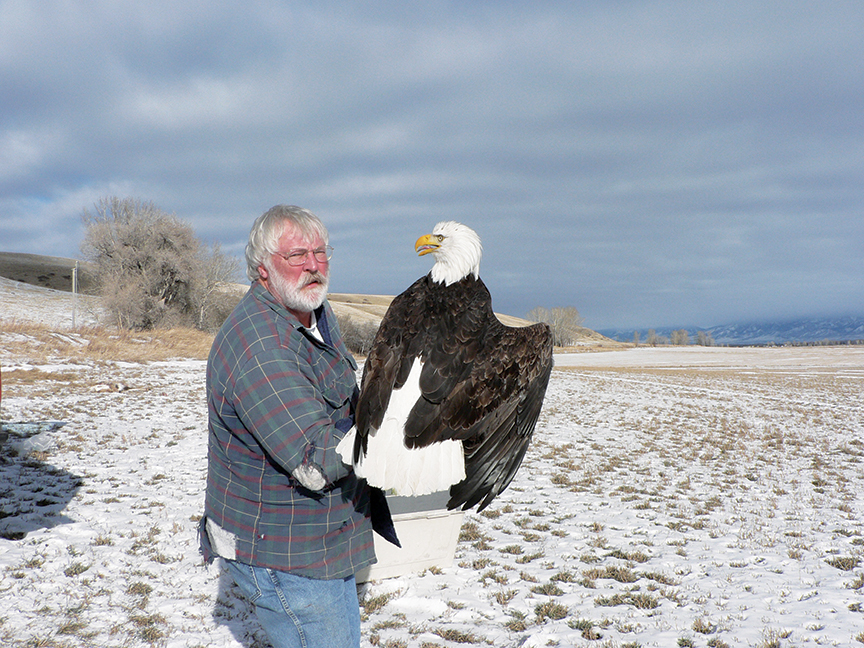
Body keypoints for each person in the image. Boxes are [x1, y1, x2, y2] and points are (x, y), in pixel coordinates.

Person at [200, 205, 392, 648]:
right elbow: (314, 462)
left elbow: (346, 401)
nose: (313, 265)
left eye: (321, 253)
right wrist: (399, 424)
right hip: (286, 552)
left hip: (323, 536)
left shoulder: (313, 315)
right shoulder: (261, 345)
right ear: (262, 268)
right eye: (297, 255)